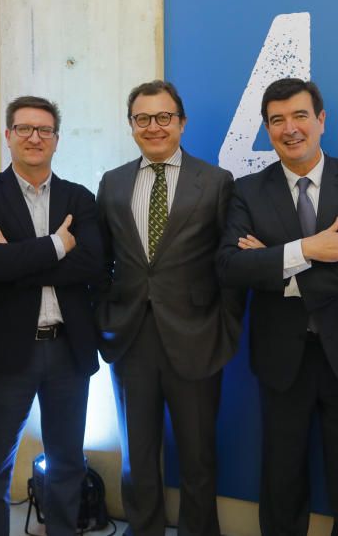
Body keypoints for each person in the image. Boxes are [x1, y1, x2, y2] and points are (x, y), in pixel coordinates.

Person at [216, 78, 338, 536]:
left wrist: (280, 270)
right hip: (281, 355)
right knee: (281, 475)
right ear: (267, 128)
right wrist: (308, 249)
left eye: (299, 116)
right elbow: (232, 266)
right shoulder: (248, 191)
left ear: (321, 120)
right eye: (277, 120)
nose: (289, 128)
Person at [96, 80, 243, 536]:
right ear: (131, 125)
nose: (154, 126)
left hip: (197, 338)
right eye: (143, 118)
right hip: (131, 338)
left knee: (198, 457)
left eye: (164, 117)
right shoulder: (113, 182)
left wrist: (225, 327)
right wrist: (106, 318)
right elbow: (101, 261)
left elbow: (231, 263)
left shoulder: (215, 182)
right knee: (138, 457)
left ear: (181, 123)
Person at [0, 96, 103, 536]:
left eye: (44, 130)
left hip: (68, 350)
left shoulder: (78, 198)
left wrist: (15, 256)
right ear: (8, 136)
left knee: (67, 460)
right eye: (24, 128)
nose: (34, 137)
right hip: (9, 353)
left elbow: (94, 263)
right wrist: (57, 246)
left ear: (57, 140)